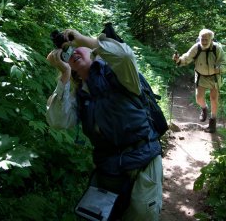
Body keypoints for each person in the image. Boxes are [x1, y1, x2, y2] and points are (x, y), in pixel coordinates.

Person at [46, 28, 163, 221]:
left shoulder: (121, 75)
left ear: (93, 52)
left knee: (142, 216)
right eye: (68, 52)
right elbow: (58, 121)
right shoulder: (79, 95)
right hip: (109, 168)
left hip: (144, 161)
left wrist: (82, 40)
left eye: (79, 49)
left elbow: (124, 54)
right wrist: (65, 73)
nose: (74, 52)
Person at [172, 29, 226, 133]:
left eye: (206, 39)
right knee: (198, 98)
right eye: (202, 39)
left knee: (214, 98)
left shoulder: (217, 48)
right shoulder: (196, 47)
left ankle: (212, 122)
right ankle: (204, 108)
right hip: (201, 76)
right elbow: (186, 58)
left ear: (211, 39)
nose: (204, 41)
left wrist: (219, 69)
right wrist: (178, 60)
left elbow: (225, 63)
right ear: (199, 38)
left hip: (214, 76)